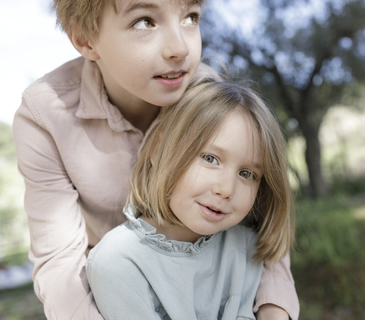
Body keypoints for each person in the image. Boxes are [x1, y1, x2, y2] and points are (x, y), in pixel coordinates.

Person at [12, 0, 299, 319]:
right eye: (145, 21)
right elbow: (61, 270)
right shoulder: (45, 116)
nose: (180, 48)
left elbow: (264, 223)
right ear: (85, 39)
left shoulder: (207, 95)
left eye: (191, 17)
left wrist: (274, 309)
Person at [86, 78, 295, 319]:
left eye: (246, 174)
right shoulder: (117, 262)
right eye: (210, 158)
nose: (226, 189)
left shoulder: (246, 246)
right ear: (158, 149)